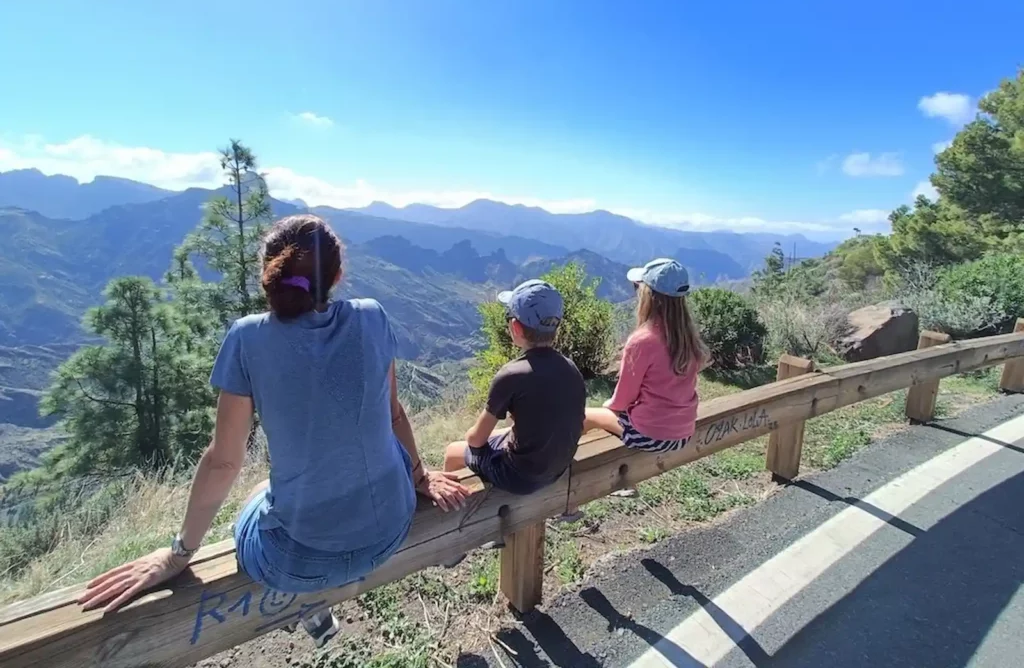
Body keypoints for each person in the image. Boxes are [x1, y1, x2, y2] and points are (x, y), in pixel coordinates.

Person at [78, 214, 469, 648]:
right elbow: (394, 415)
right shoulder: (373, 317)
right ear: (337, 276)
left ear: (268, 275)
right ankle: (312, 595)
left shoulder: (248, 339)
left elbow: (225, 460)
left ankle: (304, 602)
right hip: (389, 531)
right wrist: (420, 477)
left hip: (295, 562)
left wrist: (177, 554)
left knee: (261, 491)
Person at [444, 280, 586, 499]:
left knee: (453, 451)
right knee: (503, 434)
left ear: (516, 328)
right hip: (557, 469)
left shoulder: (511, 374)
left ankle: (451, 519)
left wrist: (469, 434)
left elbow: (476, 440)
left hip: (521, 477)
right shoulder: (570, 368)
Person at [584, 258, 708, 458]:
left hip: (649, 435)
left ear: (648, 296)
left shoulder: (642, 341)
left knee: (583, 417)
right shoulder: (688, 339)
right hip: (683, 433)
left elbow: (623, 400)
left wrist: (607, 406)